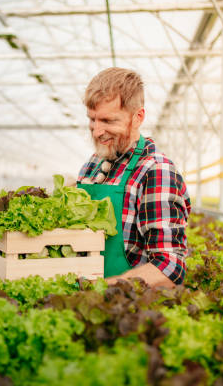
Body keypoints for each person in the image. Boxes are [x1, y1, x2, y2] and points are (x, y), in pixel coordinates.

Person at [77, 67, 191, 288]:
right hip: (79, 301)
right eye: (92, 120)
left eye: (108, 121)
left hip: (125, 309)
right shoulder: (92, 165)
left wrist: (97, 289)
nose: (97, 131)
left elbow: (168, 268)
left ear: (137, 117)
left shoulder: (155, 171)